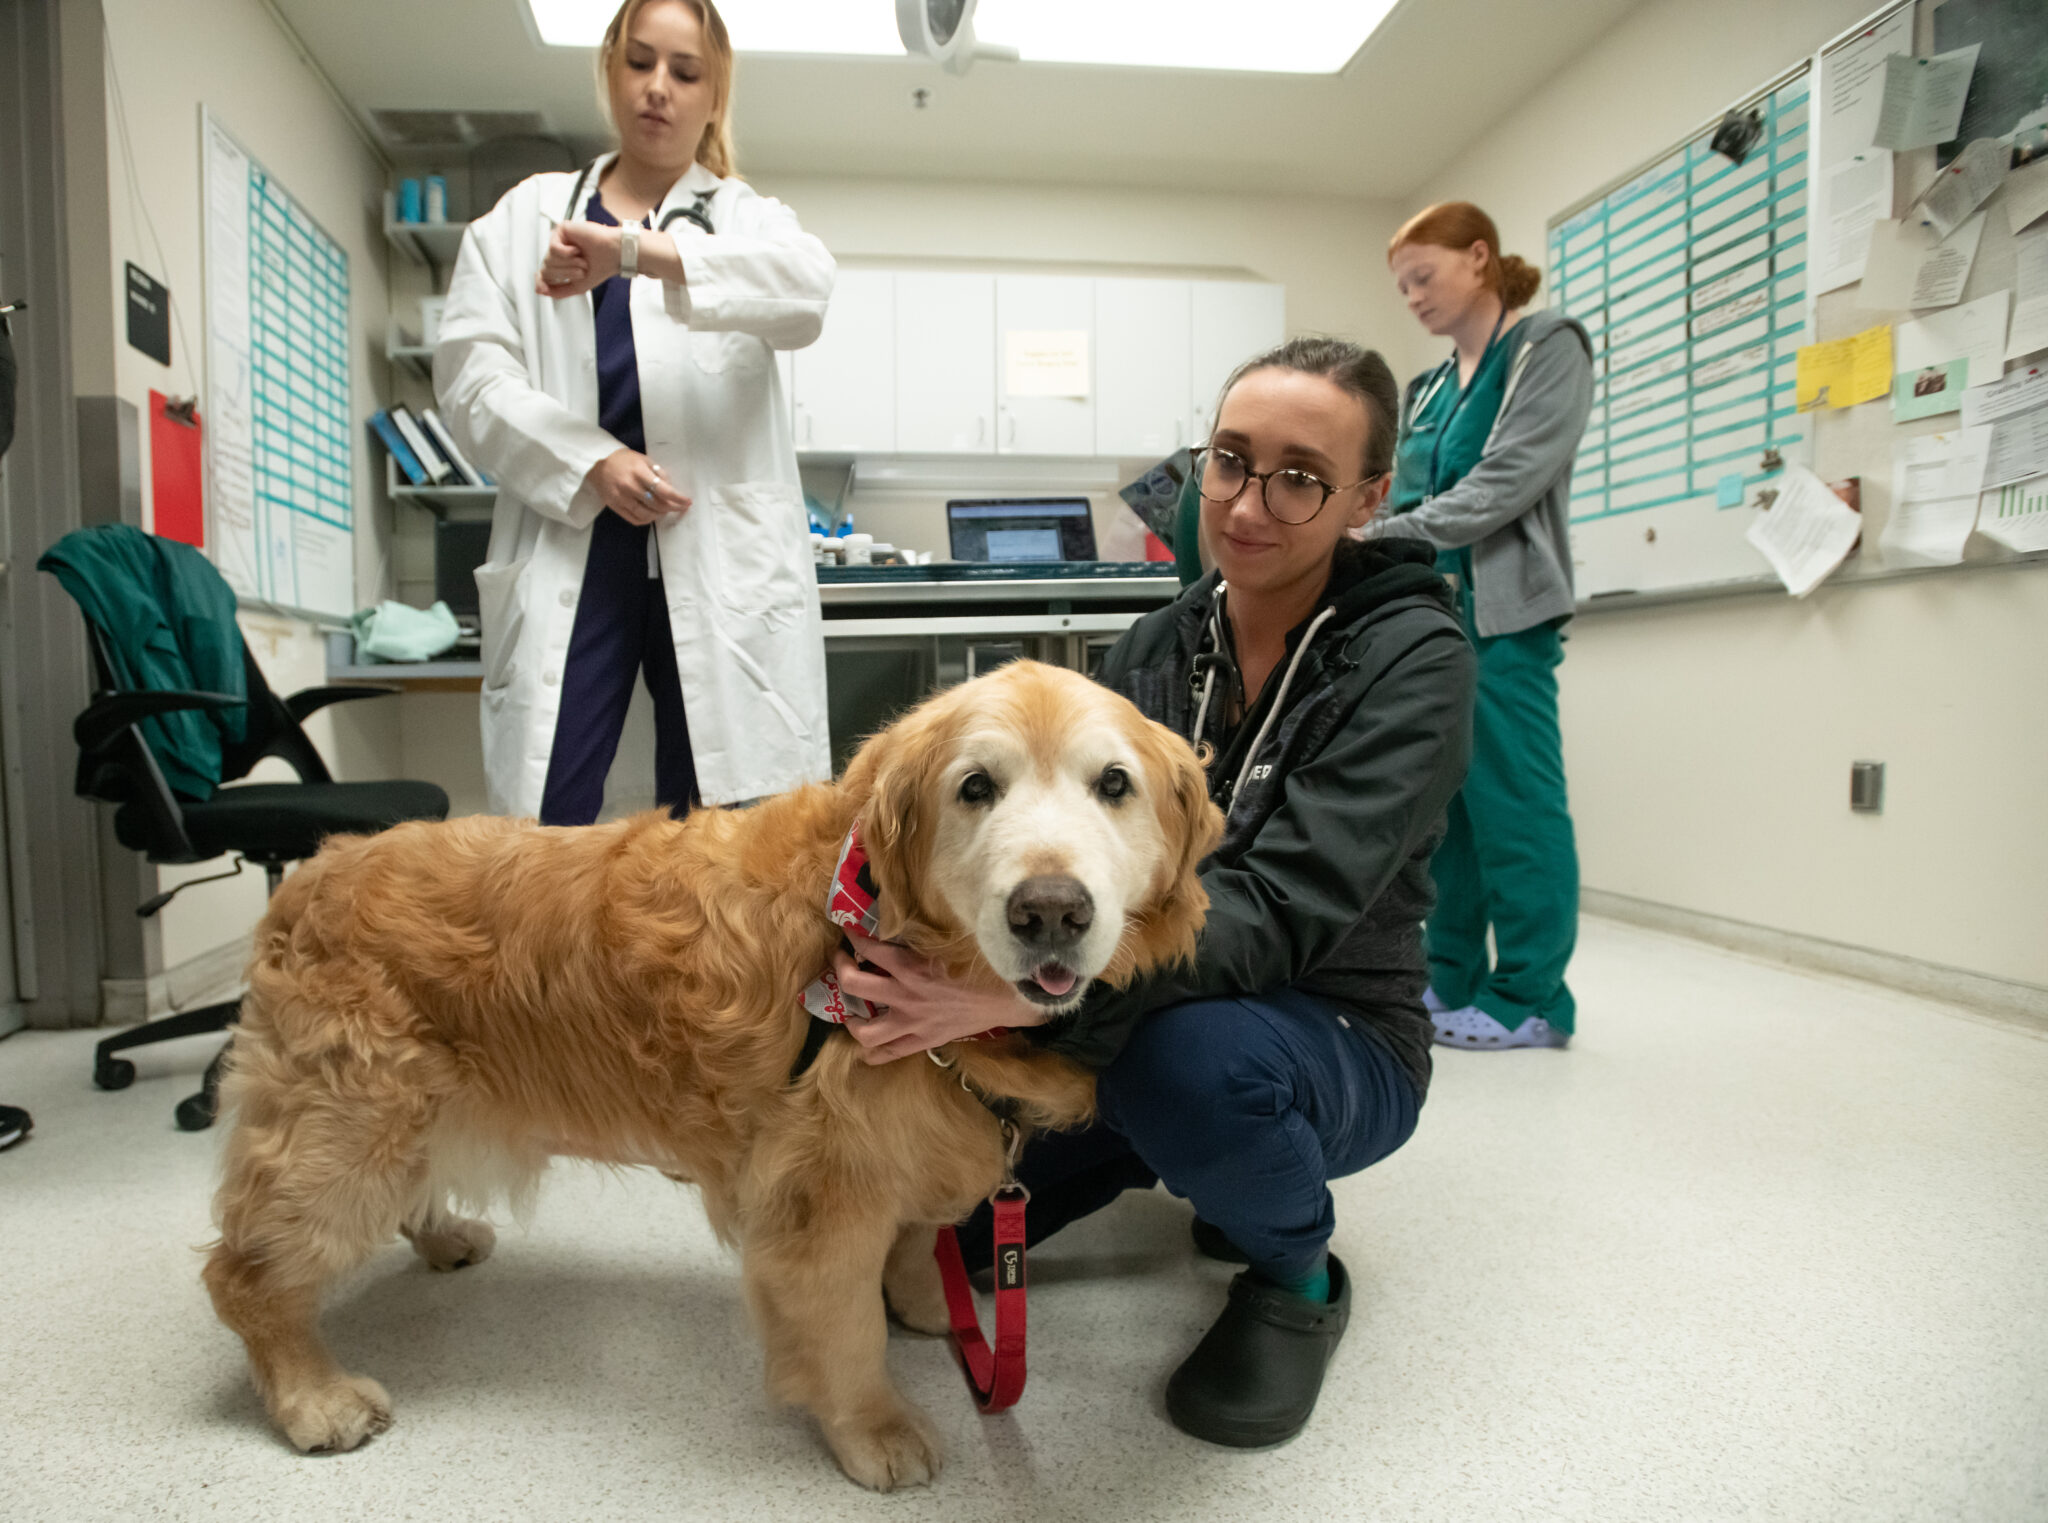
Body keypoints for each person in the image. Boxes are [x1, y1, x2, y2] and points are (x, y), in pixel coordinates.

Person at [829, 339, 1475, 1448]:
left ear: (1368, 496)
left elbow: (1279, 909)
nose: (1247, 504)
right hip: (1129, 1005)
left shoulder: (1412, 658)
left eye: (1298, 475)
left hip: (1333, 1027)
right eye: (1228, 460)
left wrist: (1019, 1006)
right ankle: (1168, 1148)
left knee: (1192, 1071)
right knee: (951, 1238)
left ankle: (1292, 1270)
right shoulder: (1160, 645)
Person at [436, 0, 834, 823]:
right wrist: (591, 461)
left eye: (685, 73)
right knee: (549, 816)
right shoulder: (519, 221)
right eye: (641, 62)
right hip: (576, 538)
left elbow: (805, 293)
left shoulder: (744, 221)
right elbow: (473, 378)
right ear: (610, 70)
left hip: (718, 554)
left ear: (714, 94)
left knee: (723, 832)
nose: (659, 88)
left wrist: (630, 252)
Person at [1378, 201, 1594, 1052]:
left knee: (1517, 809)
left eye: (1423, 276)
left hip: (1505, 622)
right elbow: (1400, 493)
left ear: (1479, 258)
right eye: (1401, 287)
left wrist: (1381, 533)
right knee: (1450, 818)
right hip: (1433, 626)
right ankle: (1450, 978)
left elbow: (1504, 483)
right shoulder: (1427, 387)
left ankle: (1533, 996)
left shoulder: (1547, 348)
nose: (1414, 297)